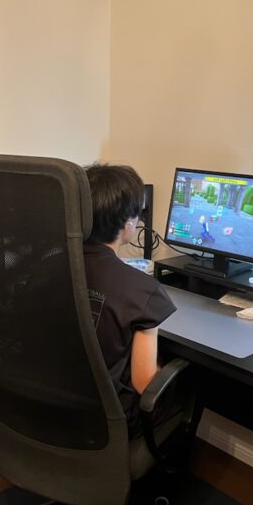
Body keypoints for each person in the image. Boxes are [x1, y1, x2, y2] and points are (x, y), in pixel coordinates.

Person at [84, 163, 179, 438]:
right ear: (128, 224)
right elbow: (144, 382)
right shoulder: (142, 290)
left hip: (46, 409)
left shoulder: (47, 265)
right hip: (107, 422)